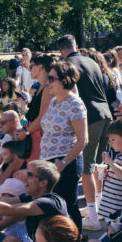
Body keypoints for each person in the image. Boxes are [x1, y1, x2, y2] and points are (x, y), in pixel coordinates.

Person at [58, 35, 113, 231]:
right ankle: (100, 208)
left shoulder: (68, 64)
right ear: (76, 46)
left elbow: (70, 94)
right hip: (106, 113)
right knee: (100, 164)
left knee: (86, 167)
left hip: (89, 117)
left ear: (61, 51)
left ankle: (93, 215)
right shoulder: (91, 60)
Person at [39, 60, 88, 231]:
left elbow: (83, 140)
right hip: (49, 162)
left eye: (51, 79)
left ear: (65, 80)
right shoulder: (54, 101)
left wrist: (63, 162)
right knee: (53, 207)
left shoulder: (74, 104)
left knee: (68, 206)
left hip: (65, 163)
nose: (47, 82)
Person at [16, 53, 53, 162]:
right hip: (35, 133)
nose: (29, 69)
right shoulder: (42, 86)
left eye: (31, 66)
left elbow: (42, 117)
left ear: (41, 67)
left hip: (40, 135)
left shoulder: (47, 87)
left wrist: (25, 132)